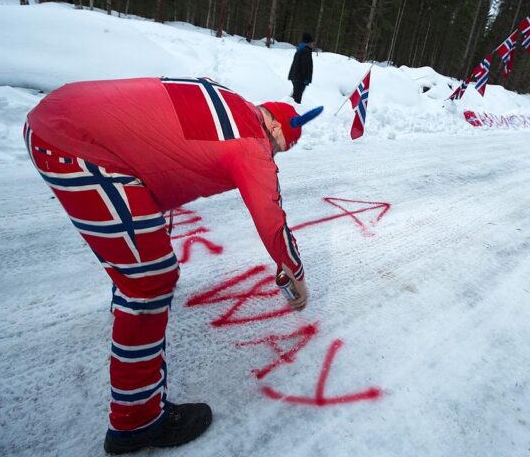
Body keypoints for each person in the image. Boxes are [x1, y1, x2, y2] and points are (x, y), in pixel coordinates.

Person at [23, 76, 322, 454]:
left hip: (62, 114)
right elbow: (270, 217)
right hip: (75, 147)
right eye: (280, 149)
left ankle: (132, 304)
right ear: (275, 126)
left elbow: (160, 142)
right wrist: (293, 270)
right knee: (150, 280)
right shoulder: (252, 145)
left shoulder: (228, 97)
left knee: (146, 261)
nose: (274, 156)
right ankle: (137, 421)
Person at [288, 32, 315, 103]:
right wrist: (306, 78)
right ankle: (292, 111)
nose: (313, 45)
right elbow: (305, 66)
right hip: (300, 78)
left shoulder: (300, 50)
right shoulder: (306, 51)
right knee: (297, 98)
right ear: (308, 43)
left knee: (295, 96)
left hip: (295, 76)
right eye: (312, 43)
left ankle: (287, 108)